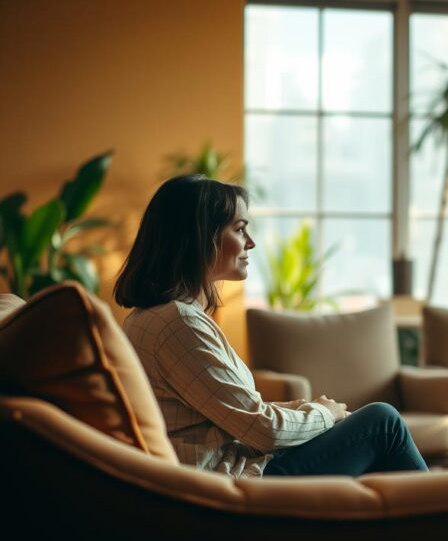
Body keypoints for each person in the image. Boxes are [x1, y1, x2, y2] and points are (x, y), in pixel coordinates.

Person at [115, 175, 428, 479]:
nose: (250, 242)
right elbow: (262, 430)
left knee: (366, 429)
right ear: (200, 237)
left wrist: (306, 410)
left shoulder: (153, 318)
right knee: (382, 423)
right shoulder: (177, 324)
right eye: (239, 229)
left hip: (230, 466)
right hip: (229, 481)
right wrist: (324, 414)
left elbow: (234, 412)